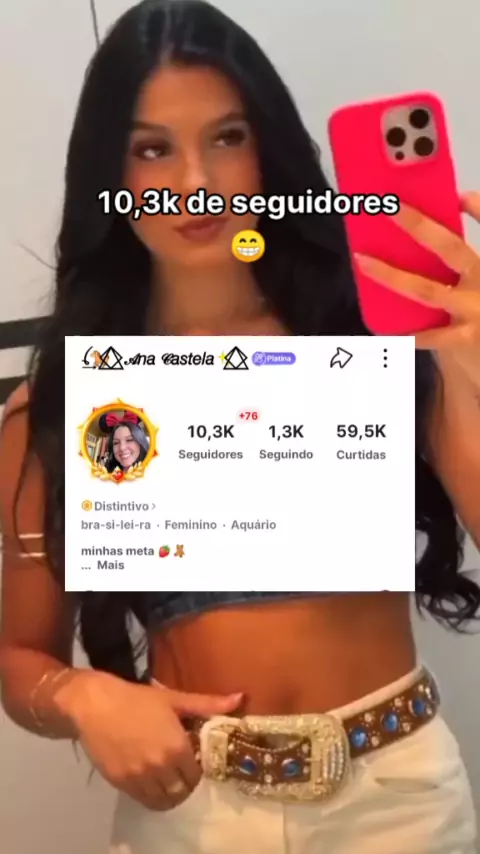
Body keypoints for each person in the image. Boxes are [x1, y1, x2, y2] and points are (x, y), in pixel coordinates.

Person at [0, 1, 479, 852]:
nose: (195, 182)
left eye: (227, 137)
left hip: (399, 806)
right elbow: (19, 658)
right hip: (192, 814)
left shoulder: (371, 337)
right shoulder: (68, 399)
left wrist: (470, 365)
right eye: (152, 150)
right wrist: (80, 695)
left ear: (270, 149)